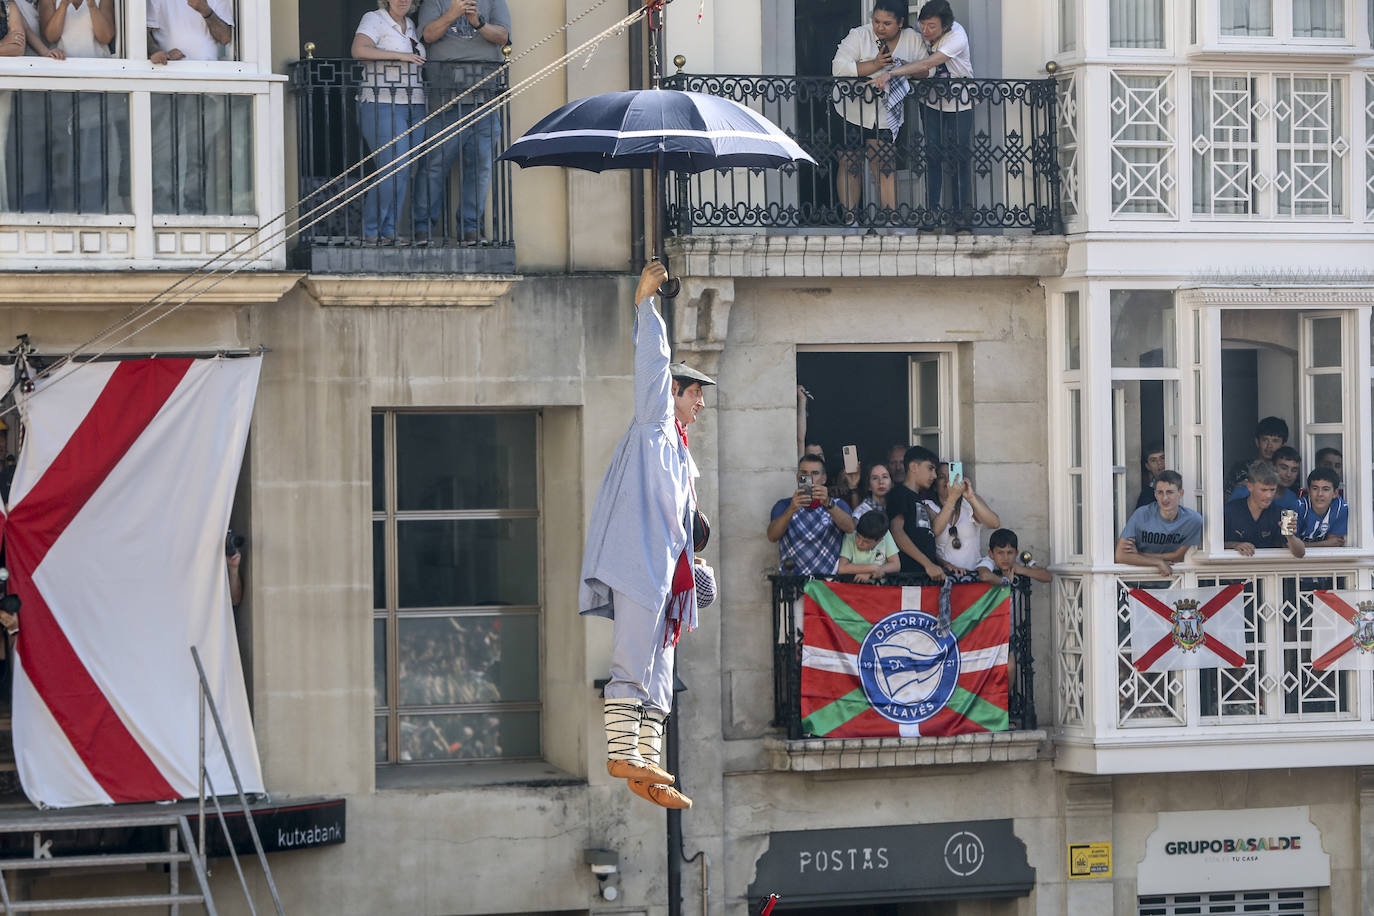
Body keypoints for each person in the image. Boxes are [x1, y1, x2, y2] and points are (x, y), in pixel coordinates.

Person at [579, 261, 705, 811]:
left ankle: (647, 761)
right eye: (694, 393)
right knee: (633, 658)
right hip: (638, 560)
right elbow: (652, 366)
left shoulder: (681, 451)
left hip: (664, 569)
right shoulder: (654, 424)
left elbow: (683, 522)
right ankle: (622, 752)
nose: (700, 403)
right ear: (673, 392)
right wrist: (648, 303)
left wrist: (695, 562)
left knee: (660, 668)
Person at [413, 0, 511, 246]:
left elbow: (503, 36)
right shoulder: (435, 1)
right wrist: (452, 14)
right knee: (433, 167)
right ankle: (422, 229)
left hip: (483, 100)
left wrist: (477, 22)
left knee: (480, 170)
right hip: (444, 102)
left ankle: (470, 229)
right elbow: (428, 35)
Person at [869, 0, 973, 231]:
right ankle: (932, 214)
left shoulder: (957, 35)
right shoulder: (923, 37)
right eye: (922, 25)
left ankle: (961, 216)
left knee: (959, 157)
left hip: (959, 103)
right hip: (931, 101)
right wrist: (904, 65)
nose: (925, 32)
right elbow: (923, 67)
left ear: (945, 26)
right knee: (932, 156)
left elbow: (930, 62)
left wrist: (892, 74)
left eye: (931, 27)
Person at [831, 0, 924, 224]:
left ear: (901, 23)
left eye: (887, 23)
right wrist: (874, 65)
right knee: (849, 163)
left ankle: (891, 220)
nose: (880, 27)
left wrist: (901, 67)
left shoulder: (912, 39)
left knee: (884, 164)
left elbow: (926, 69)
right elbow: (838, 68)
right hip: (850, 110)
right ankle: (851, 220)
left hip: (885, 113)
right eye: (876, 21)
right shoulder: (859, 35)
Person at [147, 0, 235, 214]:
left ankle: (195, 211)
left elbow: (225, 37)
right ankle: (163, 211)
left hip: (206, 86)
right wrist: (161, 53)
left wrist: (205, 10)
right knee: (164, 153)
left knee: (198, 154)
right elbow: (144, 35)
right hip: (166, 83)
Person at [352, 0, 427, 246]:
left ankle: (389, 231)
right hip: (381, 102)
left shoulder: (412, 25)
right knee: (392, 167)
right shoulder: (374, 18)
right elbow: (360, 51)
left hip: (414, 104)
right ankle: (371, 231)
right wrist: (400, 55)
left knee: (403, 169)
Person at [768, 455, 856, 575]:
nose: (810, 477)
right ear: (798, 477)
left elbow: (850, 528)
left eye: (815, 473)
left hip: (828, 584)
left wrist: (828, 503)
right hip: (794, 583)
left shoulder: (838, 504)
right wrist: (791, 509)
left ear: (824, 478)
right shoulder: (784, 505)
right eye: (804, 473)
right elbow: (772, 536)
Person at [1115, 470, 1203, 577]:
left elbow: (1177, 557)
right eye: (1160, 492)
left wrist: (1138, 554)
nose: (1164, 498)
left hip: (1173, 581)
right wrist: (1158, 562)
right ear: (1155, 495)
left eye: (1170, 492)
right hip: (1138, 580)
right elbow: (1120, 556)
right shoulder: (1141, 515)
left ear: (1181, 493)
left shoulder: (1193, 520)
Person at [926, 462, 1000, 575]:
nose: (948, 481)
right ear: (935, 485)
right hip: (945, 577)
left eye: (951, 476)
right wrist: (952, 498)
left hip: (972, 577)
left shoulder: (969, 503)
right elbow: (936, 530)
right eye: (942, 477)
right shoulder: (929, 506)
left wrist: (971, 497)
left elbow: (994, 523)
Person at [1223, 460, 1305, 558]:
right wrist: (1234, 545)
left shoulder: (1281, 513)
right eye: (1263, 490)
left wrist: (1290, 536)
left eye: (1272, 490)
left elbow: (1300, 553)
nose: (1269, 495)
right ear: (1249, 486)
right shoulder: (1230, 510)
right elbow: (1213, 545)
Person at [886, 445, 944, 581]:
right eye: (930, 468)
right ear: (913, 467)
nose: (934, 476)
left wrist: (943, 564)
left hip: (925, 576)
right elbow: (897, 532)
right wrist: (928, 564)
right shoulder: (900, 494)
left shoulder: (919, 499)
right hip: (908, 577)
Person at [1224, 416, 1288, 497]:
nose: (1269, 446)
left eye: (1275, 441)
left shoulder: (1288, 471)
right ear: (1257, 442)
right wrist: (1239, 491)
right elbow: (1225, 499)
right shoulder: (1240, 469)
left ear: (1283, 444)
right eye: (1265, 440)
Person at [836, 509, 901, 583]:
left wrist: (871, 572)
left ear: (879, 540)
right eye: (858, 537)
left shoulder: (886, 535)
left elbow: (896, 565)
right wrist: (872, 568)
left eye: (866, 542)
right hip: (853, 589)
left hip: (879, 589)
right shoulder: (851, 534)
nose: (860, 543)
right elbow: (842, 568)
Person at [1229, 445, 1301, 512]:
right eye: (1283, 468)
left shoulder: (1292, 499)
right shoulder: (1245, 491)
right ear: (1272, 466)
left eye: (1294, 470)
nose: (1288, 474)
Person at [976, 528, 1051, 586]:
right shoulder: (989, 560)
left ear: (1016, 553)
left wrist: (1022, 570)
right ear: (991, 554)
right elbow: (984, 575)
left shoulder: (1020, 560)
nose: (1005, 557)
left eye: (1010, 552)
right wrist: (1006, 581)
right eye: (1000, 553)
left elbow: (1048, 577)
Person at [1297, 468, 1347, 547]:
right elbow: (1288, 545)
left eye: (1325, 489)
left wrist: (1305, 545)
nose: (1320, 494)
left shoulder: (1340, 508)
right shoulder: (1298, 507)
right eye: (1315, 488)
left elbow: (1334, 543)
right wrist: (1323, 544)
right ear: (1309, 491)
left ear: (1335, 493)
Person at [1136, 443, 1165, 509]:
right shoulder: (1146, 495)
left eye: (1162, 458)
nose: (1159, 463)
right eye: (1153, 460)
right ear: (1148, 466)